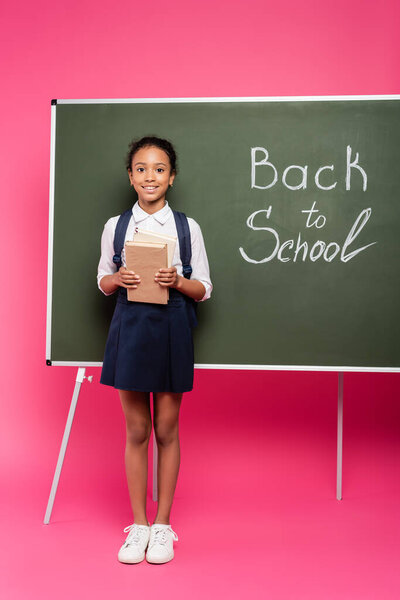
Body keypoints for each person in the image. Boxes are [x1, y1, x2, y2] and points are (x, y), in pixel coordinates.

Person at [97, 136, 212, 564]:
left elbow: (204, 287)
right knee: (137, 431)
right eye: (141, 168)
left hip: (171, 330)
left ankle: (162, 525)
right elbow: (102, 280)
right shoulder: (116, 226)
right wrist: (119, 279)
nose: (150, 176)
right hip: (129, 330)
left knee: (166, 429)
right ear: (130, 176)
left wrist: (177, 282)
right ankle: (139, 526)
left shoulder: (186, 227)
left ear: (172, 176)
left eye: (159, 168)